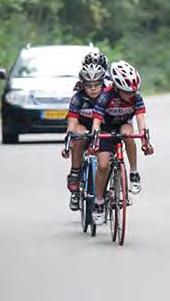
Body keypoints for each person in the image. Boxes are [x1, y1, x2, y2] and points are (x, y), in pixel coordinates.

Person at [90, 60, 153, 225]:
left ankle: (133, 172)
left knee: (129, 135)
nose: (131, 95)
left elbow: (141, 121)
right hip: (105, 128)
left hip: (123, 124)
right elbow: (96, 121)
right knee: (103, 166)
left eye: (133, 91)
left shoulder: (136, 97)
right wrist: (95, 136)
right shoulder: (105, 96)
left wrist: (145, 139)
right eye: (127, 92)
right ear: (117, 88)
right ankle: (98, 202)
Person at [62, 63, 106, 211]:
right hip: (83, 125)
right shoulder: (78, 98)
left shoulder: (109, 96)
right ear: (83, 85)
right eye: (89, 85)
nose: (93, 89)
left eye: (96, 85)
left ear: (103, 83)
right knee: (79, 135)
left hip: (102, 127)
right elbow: (72, 123)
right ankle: (75, 174)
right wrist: (68, 142)